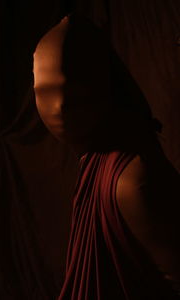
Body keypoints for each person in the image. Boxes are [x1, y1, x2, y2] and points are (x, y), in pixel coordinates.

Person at [33, 13, 180, 299]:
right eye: (45, 91)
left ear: (102, 84)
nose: (60, 107)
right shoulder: (95, 160)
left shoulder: (132, 179)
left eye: (73, 89)